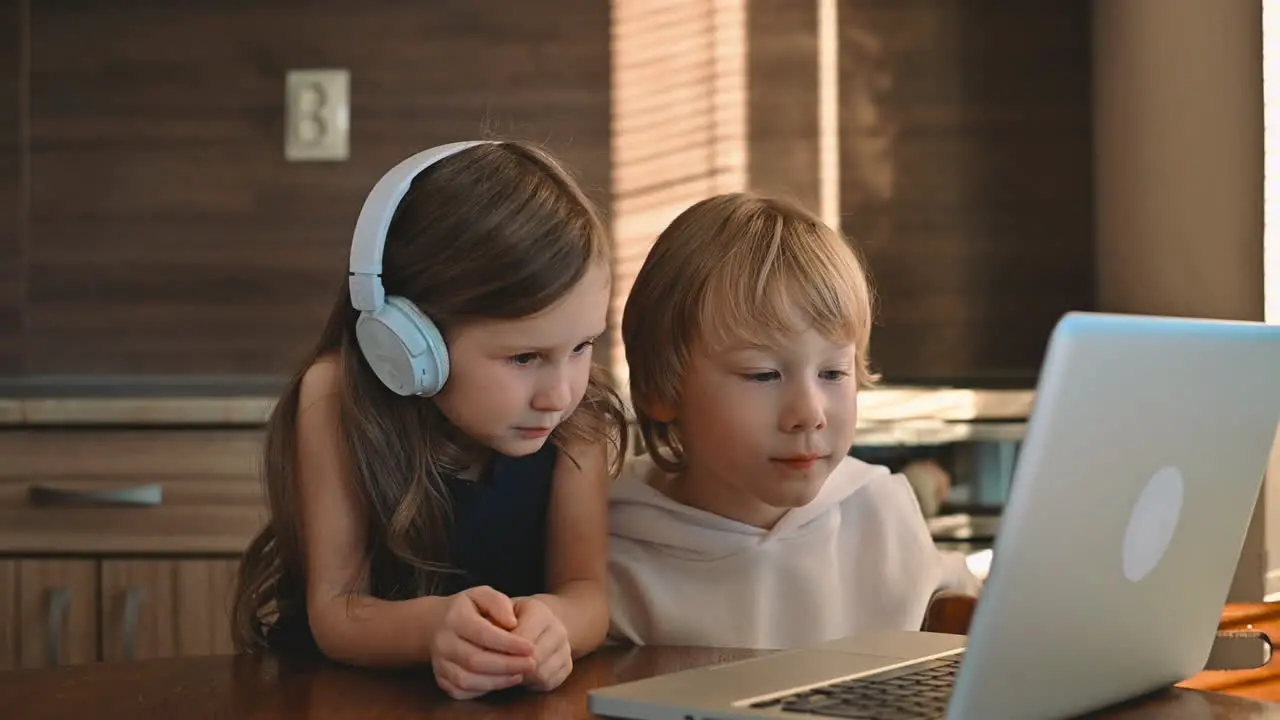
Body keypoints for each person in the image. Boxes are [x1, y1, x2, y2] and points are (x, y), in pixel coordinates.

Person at [230, 140, 629, 700]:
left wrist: (553, 624)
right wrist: (434, 628)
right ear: (408, 343)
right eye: (523, 357)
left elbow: (585, 591)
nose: (559, 393)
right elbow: (337, 609)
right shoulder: (338, 397)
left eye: (584, 346)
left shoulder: (580, 418)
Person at [608, 192, 981, 650]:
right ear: (659, 389)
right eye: (763, 374)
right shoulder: (609, 545)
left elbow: (962, 604)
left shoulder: (880, 509)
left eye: (833, 373)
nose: (809, 413)